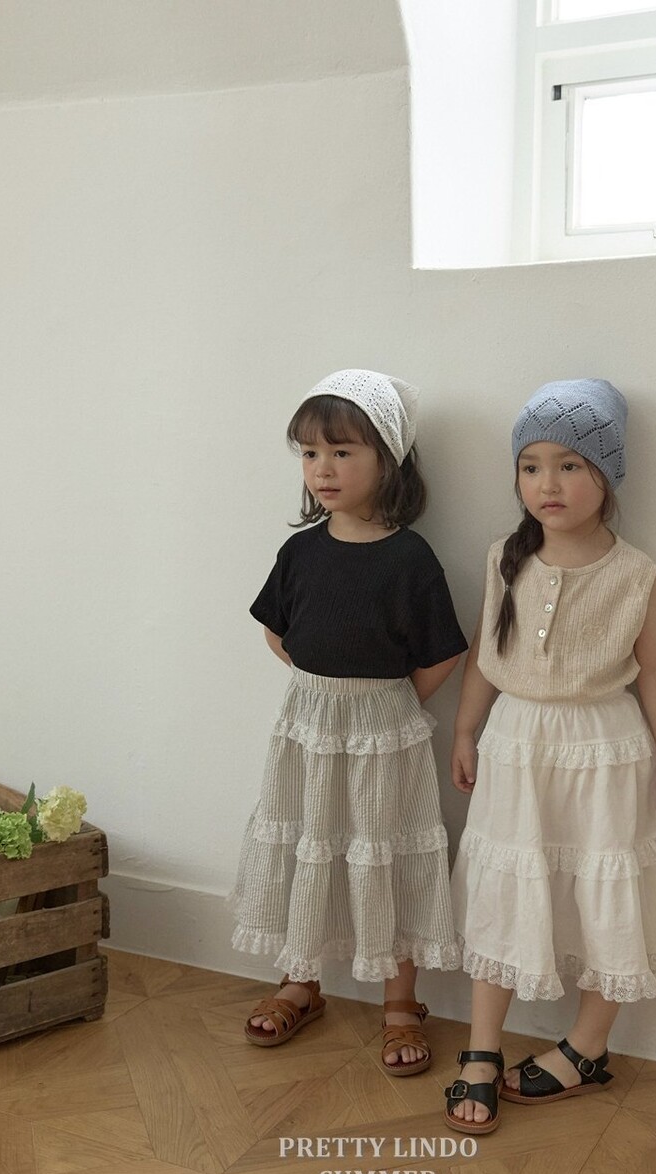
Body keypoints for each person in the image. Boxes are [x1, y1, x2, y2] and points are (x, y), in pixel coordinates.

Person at [444, 378, 656, 1133]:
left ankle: (587, 1045)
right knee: (506, 885)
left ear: (607, 474)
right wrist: (464, 730)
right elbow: (485, 654)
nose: (548, 484)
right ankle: (482, 1046)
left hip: (603, 748)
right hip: (516, 743)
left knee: (605, 888)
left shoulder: (636, 574)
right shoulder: (504, 558)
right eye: (531, 466)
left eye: (569, 465)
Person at [231, 368, 468, 1075]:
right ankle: (300, 980)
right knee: (309, 840)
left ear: (387, 460)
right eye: (310, 453)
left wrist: (383, 703)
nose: (323, 469)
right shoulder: (301, 550)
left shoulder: (409, 557)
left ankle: (401, 1001)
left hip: (383, 730)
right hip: (308, 725)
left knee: (382, 849)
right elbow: (277, 629)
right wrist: (322, 690)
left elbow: (443, 652)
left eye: (342, 452)